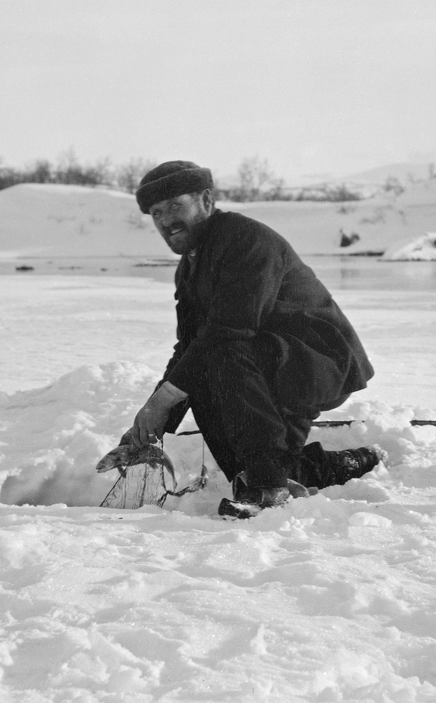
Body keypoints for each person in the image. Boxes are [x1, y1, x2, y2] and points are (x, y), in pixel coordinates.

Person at [123, 160, 384, 515]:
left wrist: (164, 401)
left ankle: (268, 487)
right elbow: (189, 346)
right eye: (156, 213)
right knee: (205, 383)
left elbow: (231, 330)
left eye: (174, 206)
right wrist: (153, 422)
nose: (166, 220)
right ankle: (327, 467)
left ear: (206, 199)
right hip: (267, 362)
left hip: (318, 360)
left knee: (220, 356)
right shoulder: (190, 266)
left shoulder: (245, 239)